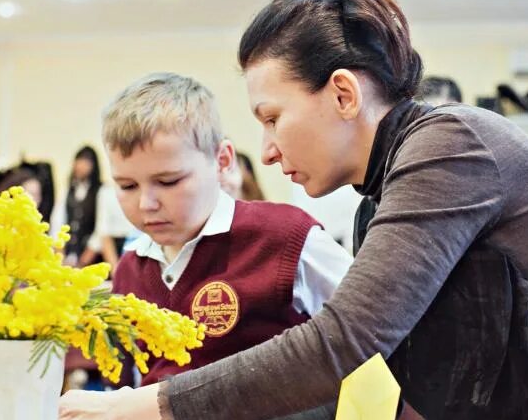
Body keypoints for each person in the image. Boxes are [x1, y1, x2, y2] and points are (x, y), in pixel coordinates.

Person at [58, 0, 528, 420]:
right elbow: (367, 381)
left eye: (272, 118)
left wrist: (134, 410)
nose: (266, 152)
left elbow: (341, 339)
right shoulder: (376, 199)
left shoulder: (451, 145)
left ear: (344, 95)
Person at [102, 72, 352, 387]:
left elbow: (373, 332)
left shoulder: (286, 237)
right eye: (126, 185)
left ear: (222, 161)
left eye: (168, 182)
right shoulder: (130, 271)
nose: (146, 204)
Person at [53, 147, 101, 266]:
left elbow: (101, 229)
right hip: (67, 255)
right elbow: (57, 222)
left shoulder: (101, 192)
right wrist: (60, 254)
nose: (81, 165)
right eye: (79, 160)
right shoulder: (67, 190)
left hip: (91, 258)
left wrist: (84, 260)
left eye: (86, 162)